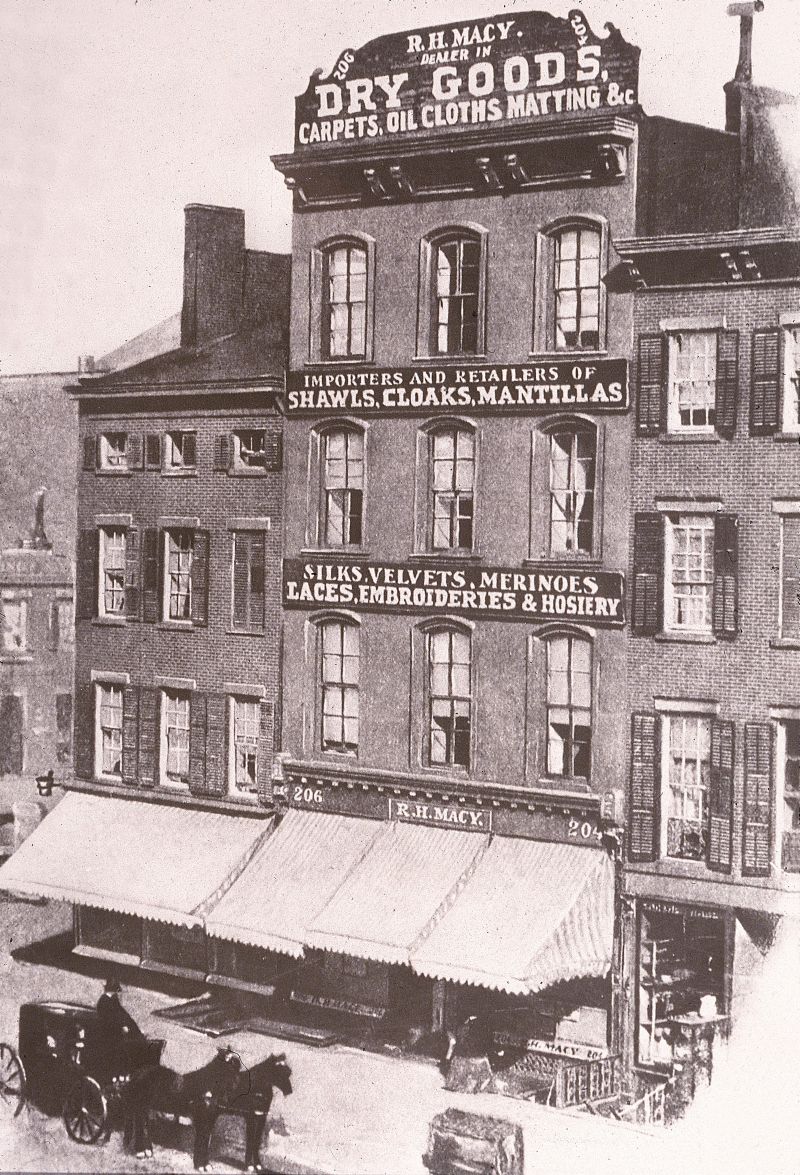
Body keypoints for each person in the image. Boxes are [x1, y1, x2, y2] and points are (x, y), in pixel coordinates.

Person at [96, 977, 145, 1075]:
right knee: (119, 1055)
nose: (117, 993)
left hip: (118, 1032)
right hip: (112, 1035)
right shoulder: (105, 1002)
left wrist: (129, 1026)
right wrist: (122, 1027)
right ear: (114, 990)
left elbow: (121, 1014)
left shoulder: (111, 1000)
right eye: (116, 991)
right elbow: (110, 1020)